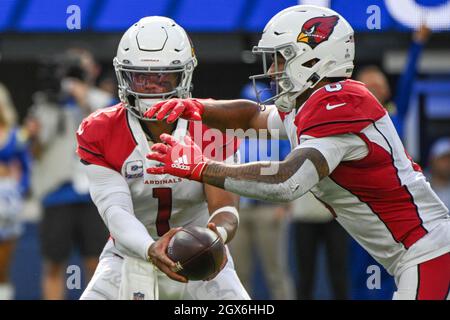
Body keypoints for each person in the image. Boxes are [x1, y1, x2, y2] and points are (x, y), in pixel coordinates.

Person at [145, 5, 450, 300]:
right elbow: (252, 117)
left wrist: (200, 167)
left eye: (279, 60)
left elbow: (287, 181)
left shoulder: (339, 103)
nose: (272, 71)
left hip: (428, 252)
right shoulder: (313, 103)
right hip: (420, 254)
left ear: (313, 58)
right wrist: (197, 108)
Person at [76, 16, 249, 300]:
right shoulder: (100, 130)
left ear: (184, 76)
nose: (152, 86)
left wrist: (215, 237)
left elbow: (225, 207)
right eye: (140, 77)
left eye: (162, 77)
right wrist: (149, 248)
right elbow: (115, 211)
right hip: (129, 253)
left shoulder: (213, 123)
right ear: (123, 76)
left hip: (201, 256)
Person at [25, 48, 112, 299]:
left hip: (95, 196)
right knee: (53, 264)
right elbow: (36, 149)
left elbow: (108, 137)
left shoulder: (102, 101)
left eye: (80, 70)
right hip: (56, 194)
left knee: (98, 265)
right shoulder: (46, 102)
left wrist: (83, 100)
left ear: (92, 71)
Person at [229, 82, 295, 299]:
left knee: (276, 272)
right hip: (240, 208)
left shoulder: (279, 131)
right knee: (239, 275)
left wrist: (285, 205)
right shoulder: (232, 133)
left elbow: (291, 167)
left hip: (268, 207)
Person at [0, 84, 31, 300]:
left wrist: (18, 190)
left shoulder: (15, 135)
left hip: (8, 200)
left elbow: (27, 168)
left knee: (3, 261)